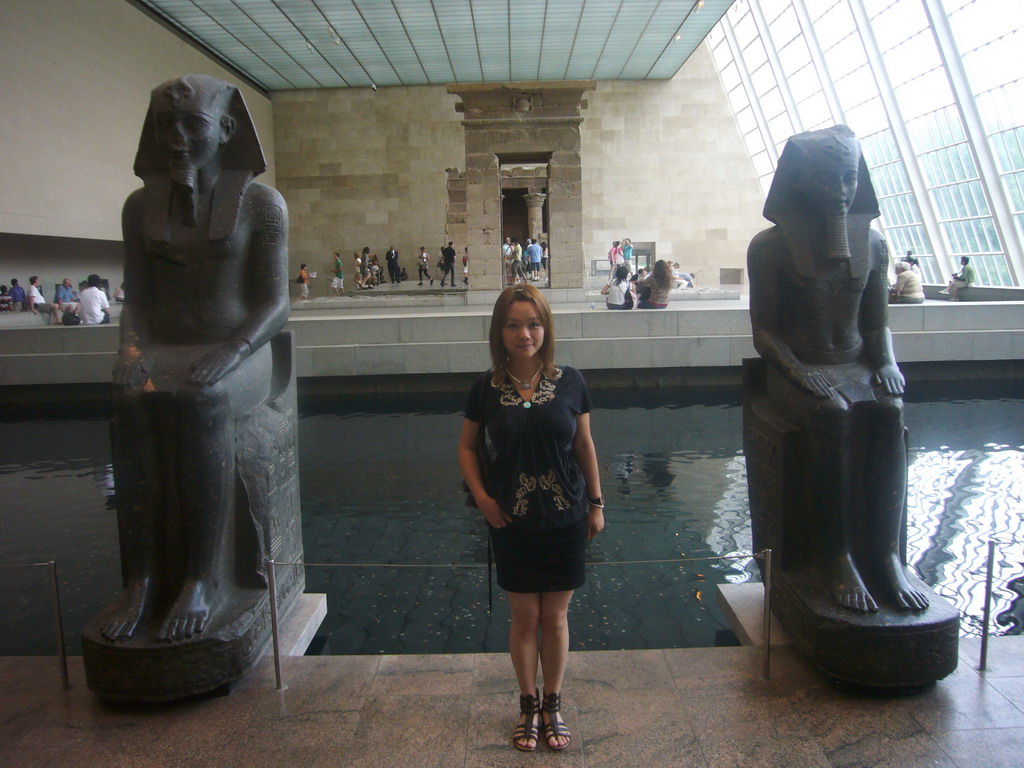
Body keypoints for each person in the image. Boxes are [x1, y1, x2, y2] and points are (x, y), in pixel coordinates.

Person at [103, 74, 291, 642]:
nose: (178, 139)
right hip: (168, 348)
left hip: (245, 350)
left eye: (194, 125)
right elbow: (137, 297)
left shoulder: (261, 204)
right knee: (131, 405)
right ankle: (143, 579)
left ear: (226, 130)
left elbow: (275, 303)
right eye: (167, 127)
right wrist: (131, 350)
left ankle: (202, 579)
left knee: (200, 402)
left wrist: (231, 350)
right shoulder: (140, 208)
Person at [748, 124, 928, 614]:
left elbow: (875, 326)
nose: (842, 192)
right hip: (797, 368)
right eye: (830, 181)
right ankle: (835, 557)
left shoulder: (872, 245)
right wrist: (796, 371)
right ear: (802, 183)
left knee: (889, 411)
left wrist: (886, 361)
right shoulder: (770, 248)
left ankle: (886, 556)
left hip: (854, 363)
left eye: (849, 179)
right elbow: (764, 332)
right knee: (833, 415)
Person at [458, 283, 604, 753]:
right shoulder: (485, 388)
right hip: (511, 519)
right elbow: (466, 448)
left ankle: (553, 704)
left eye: (534, 324)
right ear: (499, 331)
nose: (525, 334)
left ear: (547, 328)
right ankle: (527, 704)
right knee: (525, 618)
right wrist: (481, 497)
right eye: (514, 325)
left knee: (555, 618)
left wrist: (597, 503)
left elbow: (583, 445)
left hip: (566, 517)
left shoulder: (571, 381)